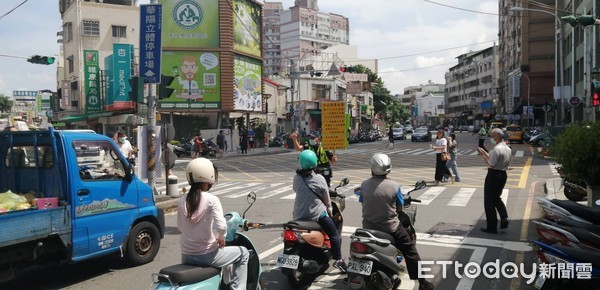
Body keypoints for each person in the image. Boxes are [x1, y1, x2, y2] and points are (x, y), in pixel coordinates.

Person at [359, 153, 435, 290]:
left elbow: (362, 202)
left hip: (368, 227)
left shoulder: (364, 185)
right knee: (410, 250)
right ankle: (423, 282)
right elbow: (399, 208)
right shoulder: (395, 186)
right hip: (390, 228)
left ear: (372, 167)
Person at [177, 158, 249, 290]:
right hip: (206, 256)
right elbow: (221, 226)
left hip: (186, 255)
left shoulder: (182, 200)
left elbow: (180, 226)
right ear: (208, 176)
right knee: (243, 253)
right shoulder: (212, 199)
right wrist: (220, 237)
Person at [293, 150, 347, 273]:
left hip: (298, 215)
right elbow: (327, 200)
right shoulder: (319, 179)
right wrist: (329, 210)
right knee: (334, 233)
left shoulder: (297, 178)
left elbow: (295, 190)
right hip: (317, 216)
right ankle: (338, 260)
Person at [477, 128, 511, 234]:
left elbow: (491, 164)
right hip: (503, 175)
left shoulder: (496, 149)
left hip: (493, 175)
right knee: (496, 198)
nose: (491, 138)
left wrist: (483, 155)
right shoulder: (507, 148)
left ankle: (492, 227)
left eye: (492, 135)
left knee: (489, 202)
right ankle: (504, 217)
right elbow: (494, 160)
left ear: (496, 136)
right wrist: (485, 153)